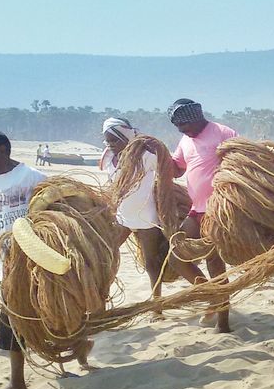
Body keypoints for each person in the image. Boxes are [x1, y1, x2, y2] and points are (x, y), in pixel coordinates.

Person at [0, 130, 93, 389]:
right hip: (8, 263)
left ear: (3, 150)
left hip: (42, 260)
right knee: (13, 317)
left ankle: (80, 348)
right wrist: (1, 241)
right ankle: (17, 381)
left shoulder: (34, 178)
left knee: (57, 311)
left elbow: (58, 214)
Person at [101, 117, 205, 300]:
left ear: (125, 137)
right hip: (122, 218)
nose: (110, 144)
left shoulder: (145, 156)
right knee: (107, 254)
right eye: (107, 140)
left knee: (151, 263)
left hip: (146, 218)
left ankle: (156, 301)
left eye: (114, 140)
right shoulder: (109, 157)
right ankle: (102, 293)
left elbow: (169, 171)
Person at [168, 98, 239, 332]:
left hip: (219, 210)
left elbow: (241, 163)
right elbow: (177, 168)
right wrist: (158, 158)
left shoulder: (222, 132)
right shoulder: (185, 140)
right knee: (177, 258)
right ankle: (211, 295)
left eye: (184, 126)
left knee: (215, 264)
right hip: (196, 209)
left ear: (196, 118)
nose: (182, 131)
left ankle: (224, 323)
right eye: (178, 128)